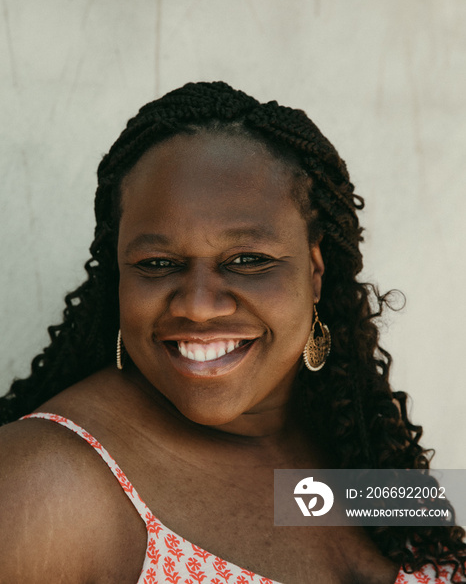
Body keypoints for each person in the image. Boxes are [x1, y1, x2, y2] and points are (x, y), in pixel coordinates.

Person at [0, 81, 464, 584]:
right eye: (158, 263)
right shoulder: (44, 483)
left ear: (314, 271)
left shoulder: (354, 446)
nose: (198, 306)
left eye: (247, 260)